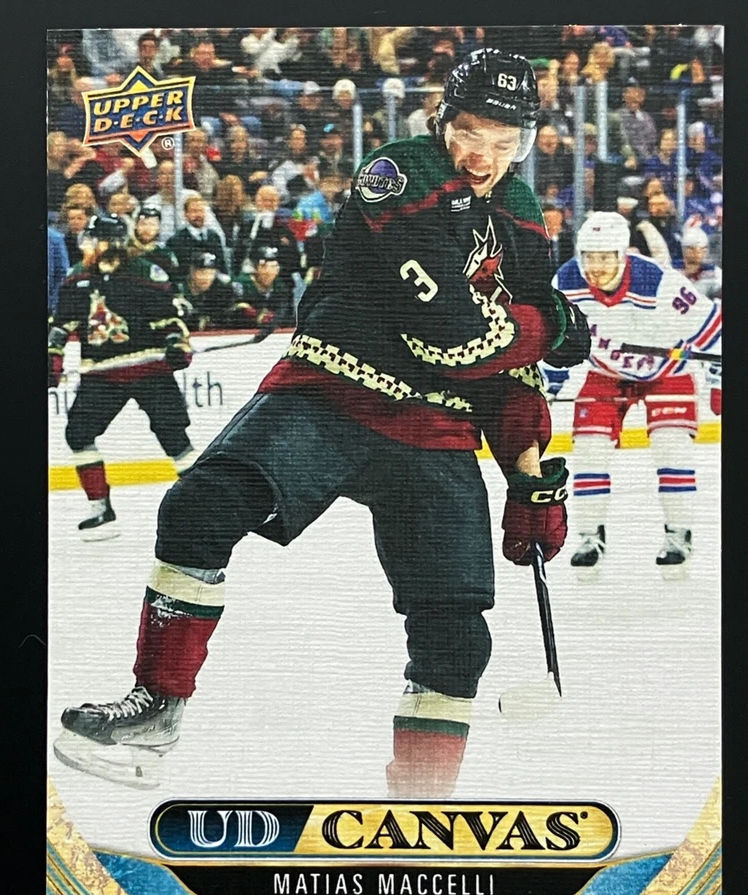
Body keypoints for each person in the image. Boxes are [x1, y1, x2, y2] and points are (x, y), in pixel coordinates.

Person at [53, 49, 590, 796]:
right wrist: (551, 323)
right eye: (471, 133)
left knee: (457, 636)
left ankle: (421, 805)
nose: (484, 157)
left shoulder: (522, 214)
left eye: (506, 142)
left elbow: (509, 373)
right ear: (443, 120)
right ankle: (157, 706)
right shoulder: (400, 172)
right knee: (200, 507)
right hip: (336, 390)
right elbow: (454, 338)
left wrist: (530, 479)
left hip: (439, 429)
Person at [548, 211, 721, 577]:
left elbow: (715, 331)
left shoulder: (658, 282)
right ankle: (590, 536)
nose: (595, 267)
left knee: (671, 445)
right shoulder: (565, 281)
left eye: (604, 257)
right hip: (606, 372)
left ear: (622, 254)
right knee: (589, 449)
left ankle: (678, 535)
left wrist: (719, 381)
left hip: (667, 372)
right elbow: (554, 338)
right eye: (588, 257)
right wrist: (550, 382)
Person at [47, 214, 198, 539]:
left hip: (149, 369)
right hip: (102, 375)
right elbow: (61, 325)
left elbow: (170, 319)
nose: (85, 246)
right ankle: (100, 509)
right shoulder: (77, 277)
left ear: (110, 243)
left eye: (91, 240)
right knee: (78, 434)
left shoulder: (145, 272)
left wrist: (177, 345)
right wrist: (52, 358)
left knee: (174, 437)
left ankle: (204, 503)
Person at [179, 251, 257, 331]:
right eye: (202, 272)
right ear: (192, 271)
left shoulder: (221, 291)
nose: (206, 277)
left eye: (211, 273)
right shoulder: (179, 289)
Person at [234, 245, 295, 341]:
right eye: (264, 266)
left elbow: (285, 311)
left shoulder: (279, 285)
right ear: (256, 268)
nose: (272, 271)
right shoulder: (242, 284)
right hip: (240, 333)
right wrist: (253, 314)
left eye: (275, 266)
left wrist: (272, 320)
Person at [165, 194, 227, 280]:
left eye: (201, 211)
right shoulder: (175, 241)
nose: (198, 215)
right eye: (194, 211)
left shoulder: (214, 237)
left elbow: (222, 267)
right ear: (186, 214)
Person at [127, 205, 180, 278]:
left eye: (152, 225)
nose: (147, 229)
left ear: (159, 228)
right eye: (143, 224)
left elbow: (174, 278)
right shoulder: (125, 250)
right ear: (136, 226)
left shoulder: (164, 253)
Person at [678, 225, 722, 300]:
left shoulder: (714, 272)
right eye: (691, 248)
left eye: (702, 249)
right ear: (684, 249)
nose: (696, 253)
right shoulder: (673, 268)